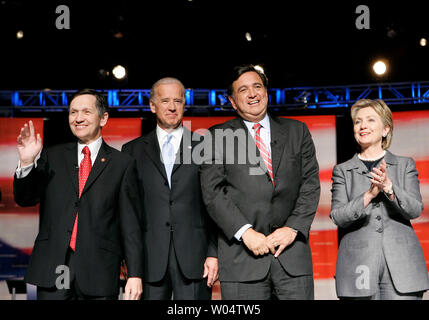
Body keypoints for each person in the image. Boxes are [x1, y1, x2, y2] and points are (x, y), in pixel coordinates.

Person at [200, 64, 320, 300]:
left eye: (257, 86)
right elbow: (213, 193)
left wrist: (292, 228)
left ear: (266, 91)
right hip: (241, 259)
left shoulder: (298, 131)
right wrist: (245, 233)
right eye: (243, 90)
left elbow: (310, 185)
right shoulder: (215, 137)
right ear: (233, 101)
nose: (252, 94)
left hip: (292, 257)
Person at [13, 89, 143, 300]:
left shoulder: (122, 164)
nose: (78, 118)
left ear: (103, 118)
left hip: (98, 271)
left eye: (86, 112)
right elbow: (25, 198)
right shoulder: (52, 156)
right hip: (55, 267)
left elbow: (130, 224)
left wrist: (135, 274)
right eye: (73, 112)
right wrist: (27, 162)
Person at [122, 77, 218, 300]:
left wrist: (214, 254)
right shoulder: (131, 152)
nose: (172, 107)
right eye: (165, 101)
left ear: (185, 104)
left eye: (178, 101)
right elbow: (128, 212)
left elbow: (215, 204)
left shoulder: (205, 146)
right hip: (148, 260)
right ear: (152, 105)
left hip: (196, 260)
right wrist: (130, 261)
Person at [330, 99, 429, 299]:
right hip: (358, 264)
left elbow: (415, 209)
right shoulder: (342, 170)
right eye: (358, 122)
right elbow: (338, 216)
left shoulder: (404, 165)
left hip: (402, 265)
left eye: (370, 120)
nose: (363, 126)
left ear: (385, 129)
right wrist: (367, 196)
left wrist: (389, 188)